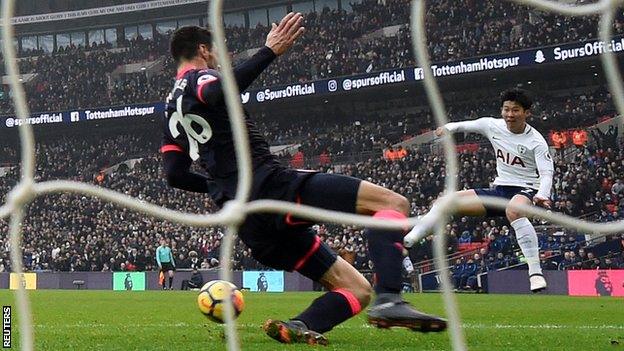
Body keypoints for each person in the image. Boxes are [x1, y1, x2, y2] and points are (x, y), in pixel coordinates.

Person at [160, 15, 446, 346]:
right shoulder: (200, 76)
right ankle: (392, 299)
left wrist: (218, 187)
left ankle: (298, 324)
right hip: (271, 187)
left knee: (356, 289)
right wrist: (269, 51)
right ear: (203, 49)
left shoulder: (170, 108)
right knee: (393, 203)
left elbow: (175, 174)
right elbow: (218, 90)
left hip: (246, 220)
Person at [404, 88, 554, 293]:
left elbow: (547, 173)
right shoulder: (492, 125)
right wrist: (447, 128)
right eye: (506, 109)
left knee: (514, 210)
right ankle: (409, 241)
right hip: (500, 190)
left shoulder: (536, 141)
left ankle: (535, 273)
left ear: (527, 112)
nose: (510, 115)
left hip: (525, 190)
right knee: (444, 203)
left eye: (516, 110)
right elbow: (467, 124)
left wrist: (542, 194)